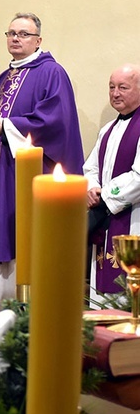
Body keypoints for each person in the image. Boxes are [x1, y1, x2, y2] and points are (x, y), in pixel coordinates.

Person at [0, 12, 83, 314]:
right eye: (11, 33)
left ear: (38, 40)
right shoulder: (4, 77)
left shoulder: (51, 73)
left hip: (19, 180)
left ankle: (13, 320)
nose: (16, 38)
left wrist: (4, 126)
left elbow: (55, 123)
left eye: (24, 34)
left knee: (18, 248)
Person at [84, 64, 140, 297]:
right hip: (106, 222)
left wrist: (104, 195)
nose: (115, 93)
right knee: (102, 298)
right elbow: (90, 167)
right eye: (111, 87)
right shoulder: (108, 129)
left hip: (134, 220)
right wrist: (91, 188)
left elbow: (138, 177)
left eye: (123, 87)